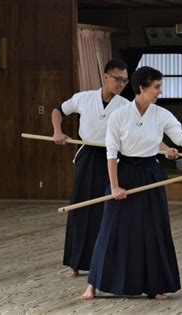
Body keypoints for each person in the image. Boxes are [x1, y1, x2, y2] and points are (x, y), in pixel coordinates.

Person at [81, 66, 182, 300]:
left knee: (153, 229)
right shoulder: (119, 116)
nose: (160, 92)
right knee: (112, 228)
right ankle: (93, 284)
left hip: (150, 173)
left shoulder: (162, 115)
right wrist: (114, 186)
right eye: (156, 87)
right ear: (142, 88)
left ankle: (155, 285)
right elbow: (111, 152)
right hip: (124, 173)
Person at [52, 59, 130, 278]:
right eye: (117, 79)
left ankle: (107, 260)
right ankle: (75, 263)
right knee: (80, 207)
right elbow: (58, 110)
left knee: (108, 209)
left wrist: (165, 148)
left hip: (112, 156)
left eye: (124, 81)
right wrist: (57, 132)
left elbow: (141, 131)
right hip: (87, 156)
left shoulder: (125, 106)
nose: (121, 84)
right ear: (105, 77)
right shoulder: (84, 98)